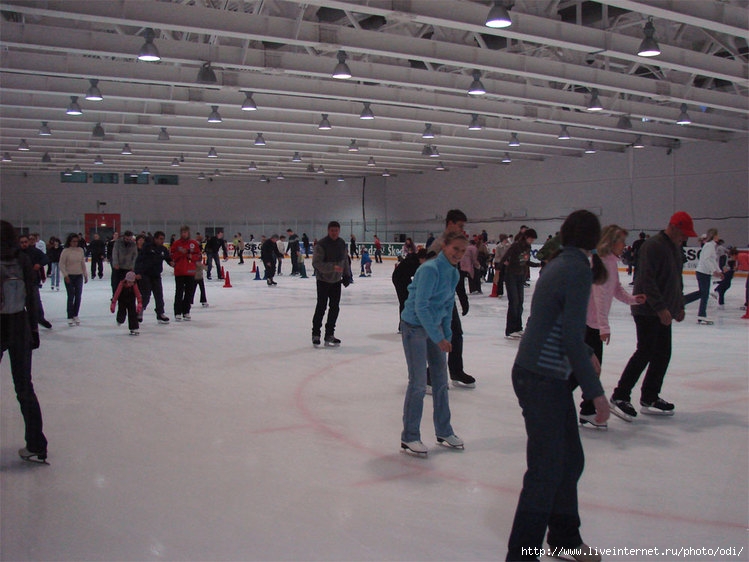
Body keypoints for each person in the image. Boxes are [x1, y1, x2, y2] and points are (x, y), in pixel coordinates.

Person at [505, 210, 609, 562]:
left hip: (542, 374)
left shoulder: (559, 264)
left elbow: (556, 324)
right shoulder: (576, 268)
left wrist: (585, 351)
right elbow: (568, 335)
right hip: (541, 377)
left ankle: (564, 538)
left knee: (569, 461)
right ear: (593, 240)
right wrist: (595, 392)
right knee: (546, 471)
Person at [609, 211, 698, 421]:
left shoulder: (674, 248)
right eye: (683, 233)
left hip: (664, 310)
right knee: (645, 352)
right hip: (647, 310)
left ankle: (650, 396)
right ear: (673, 227)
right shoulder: (653, 246)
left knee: (662, 354)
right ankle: (620, 395)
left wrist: (678, 306)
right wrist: (660, 308)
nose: (685, 238)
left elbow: (675, 280)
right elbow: (647, 280)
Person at [399, 231, 468, 456]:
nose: (458, 254)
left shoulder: (453, 273)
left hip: (434, 327)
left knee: (440, 381)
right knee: (419, 382)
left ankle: (444, 430)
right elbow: (421, 307)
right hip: (414, 328)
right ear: (444, 246)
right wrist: (438, 338)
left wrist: (445, 334)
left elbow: (448, 305)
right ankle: (410, 436)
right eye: (455, 248)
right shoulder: (430, 269)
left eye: (462, 250)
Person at [576, 225, 646, 429]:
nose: (625, 245)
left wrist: (633, 300)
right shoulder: (602, 263)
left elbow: (615, 289)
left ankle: (584, 408)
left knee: (587, 369)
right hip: (589, 325)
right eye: (622, 241)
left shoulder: (610, 263)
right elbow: (600, 296)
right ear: (611, 242)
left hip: (591, 324)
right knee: (590, 369)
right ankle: (586, 409)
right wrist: (603, 327)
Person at [1, 221, 48, 463]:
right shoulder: (22, 259)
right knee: (25, 388)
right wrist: (33, 330)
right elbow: (31, 296)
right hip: (19, 326)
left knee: (25, 388)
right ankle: (36, 444)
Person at [427, 209, 474, 389]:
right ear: (450, 224)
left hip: (447, 298)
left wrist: (461, 295)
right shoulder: (439, 245)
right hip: (435, 300)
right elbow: (427, 272)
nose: (462, 230)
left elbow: (454, 272)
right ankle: (429, 374)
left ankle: (456, 370)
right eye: (460, 226)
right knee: (437, 337)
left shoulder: (456, 244)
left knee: (455, 334)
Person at [311, 221, 352, 347]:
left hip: (336, 282)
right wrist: (333, 267)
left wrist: (347, 275)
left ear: (339, 231)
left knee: (334, 308)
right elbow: (317, 263)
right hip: (323, 280)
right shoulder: (321, 245)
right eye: (332, 230)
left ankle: (329, 334)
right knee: (321, 307)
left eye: (336, 230)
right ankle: (316, 333)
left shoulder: (341, 243)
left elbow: (345, 260)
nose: (334, 233)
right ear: (328, 231)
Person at [503, 228, 538, 339]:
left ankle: (518, 328)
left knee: (520, 302)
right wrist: (498, 269)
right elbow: (505, 256)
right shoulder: (516, 246)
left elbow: (525, 261)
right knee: (514, 302)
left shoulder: (527, 247)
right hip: (511, 275)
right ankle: (510, 329)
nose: (532, 241)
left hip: (520, 276)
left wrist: (538, 265)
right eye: (531, 239)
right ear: (527, 237)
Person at [684, 228, 723, 324]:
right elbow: (706, 260)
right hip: (702, 272)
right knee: (704, 294)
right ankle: (701, 314)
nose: (718, 237)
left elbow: (712, 260)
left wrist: (718, 271)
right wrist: (714, 271)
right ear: (714, 236)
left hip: (705, 273)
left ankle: (683, 301)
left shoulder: (711, 246)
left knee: (703, 293)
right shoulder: (709, 246)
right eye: (717, 235)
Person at [133, 231, 172, 324]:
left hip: (156, 275)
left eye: (163, 239)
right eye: (160, 239)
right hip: (145, 275)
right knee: (146, 295)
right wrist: (137, 272)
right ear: (155, 239)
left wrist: (172, 263)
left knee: (159, 295)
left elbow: (168, 258)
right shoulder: (147, 247)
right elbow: (139, 260)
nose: (162, 241)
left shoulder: (163, 249)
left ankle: (160, 313)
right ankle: (140, 311)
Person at [18, 233, 51, 329]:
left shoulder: (34, 251)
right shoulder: (16, 253)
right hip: (20, 283)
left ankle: (40, 318)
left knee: (36, 302)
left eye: (25, 242)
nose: (24, 244)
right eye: (22, 242)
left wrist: (39, 264)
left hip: (32, 282)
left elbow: (46, 258)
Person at [170, 226, 201, 321]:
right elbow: (172, 255)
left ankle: (186, 311)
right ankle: (177, 312)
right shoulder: (176, 244)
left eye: (186, 232)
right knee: (179, 292)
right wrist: (180, 253)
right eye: (182, 232)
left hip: (190, 271)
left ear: (188, 233)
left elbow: (198, 255)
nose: (184, 234)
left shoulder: (193, 243)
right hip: (179, 271)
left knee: (189, 292)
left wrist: (190, 255)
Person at [392, 248, 428, 329]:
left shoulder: (415, 260)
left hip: (404, 278)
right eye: (425, 260)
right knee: (404, 301)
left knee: (409, 300)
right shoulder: (414, 263)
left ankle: (408, 322)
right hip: (399, 279)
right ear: (422, 258)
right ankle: (403, 325)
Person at [59, 232, 88, 326]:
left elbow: (82, 263)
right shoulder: (66, 251)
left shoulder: (80, 250)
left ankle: (76, 314)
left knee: (78, 296)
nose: (75, 243)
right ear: (69, 242)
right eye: (73, 241)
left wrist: (85, 274)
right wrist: (65, 275)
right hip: (69, 276)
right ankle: (70, 316)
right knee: (71, 296)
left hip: (79, 275)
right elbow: (61, 264)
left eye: (76, 241)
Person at [111, 271, 143, 335]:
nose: (130, 284)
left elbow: (138, 294)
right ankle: (120, 320)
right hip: (122, 301)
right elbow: (117, 294)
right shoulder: (121, 284)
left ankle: (133, 328)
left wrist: (139, 303)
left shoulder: (134, 285)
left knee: (133, 314)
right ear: (126, 280)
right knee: (122, 312)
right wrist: (113, 303)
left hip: (131, 301)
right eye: (129, 282)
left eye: (132, 282)